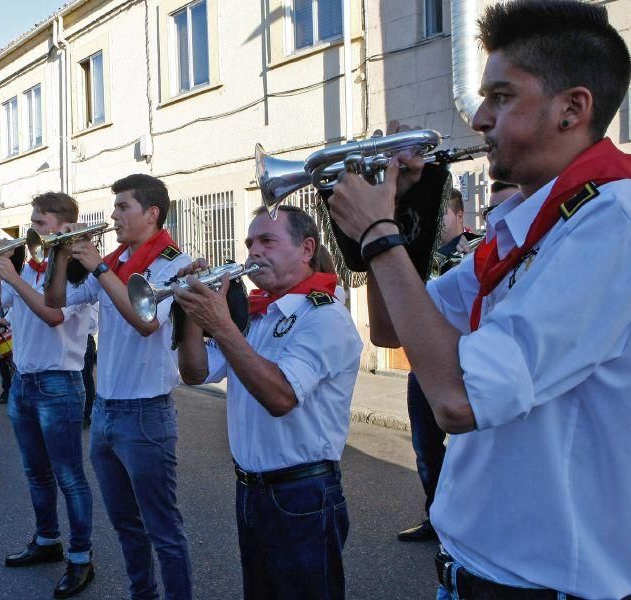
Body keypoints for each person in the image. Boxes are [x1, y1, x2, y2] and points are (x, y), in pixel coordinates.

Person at [328, 2, 631, 597]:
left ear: (573, 108)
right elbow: (394, 331)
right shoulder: (532, 225)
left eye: (501, 96)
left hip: (544, 588)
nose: (480, 118)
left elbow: (457, 400)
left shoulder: (610, 224)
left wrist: (378, 236)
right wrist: (405, 222)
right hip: (476, 573)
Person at [174, 206, 362, 599]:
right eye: (249, 243)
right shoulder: (257, 314)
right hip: (252, 490)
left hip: (303, 493)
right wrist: (192, 312)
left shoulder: (323, 316)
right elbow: (194, 373)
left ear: (306, 248)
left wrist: (221, 323)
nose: (253, 252)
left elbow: (280, 397)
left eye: (267, 241)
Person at [45, 174, 194, 600]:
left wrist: (100, 266)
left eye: (122, 207)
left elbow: (146, 322)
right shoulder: (116, 260)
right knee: (126, 526)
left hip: (146, 414)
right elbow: (57, 302)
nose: (112, 216)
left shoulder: (173, 263)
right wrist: (59, 255)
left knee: (163, 530)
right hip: (107, 410)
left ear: (152, 213)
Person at [0, 192, 96, 599]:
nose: (33, 229)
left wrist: (14, 277)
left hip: (59, 383)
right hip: (24, 381)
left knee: (69, 476)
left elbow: (52, 315)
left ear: (65, 227)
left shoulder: (77, 273)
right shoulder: (27, 268)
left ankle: (81, 557)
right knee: (36, 473)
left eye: (42, 223)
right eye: (33, 221)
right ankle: (48, 540)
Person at [397, 188, 482, 543]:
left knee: (475, 449)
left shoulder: (478, 249)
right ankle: (436, 515)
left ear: (460, 217)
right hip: (426, 364)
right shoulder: (419, 256)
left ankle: (472, 519)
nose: (436, 223)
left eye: (442, 215)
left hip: (470, 364)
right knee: (425, 446)